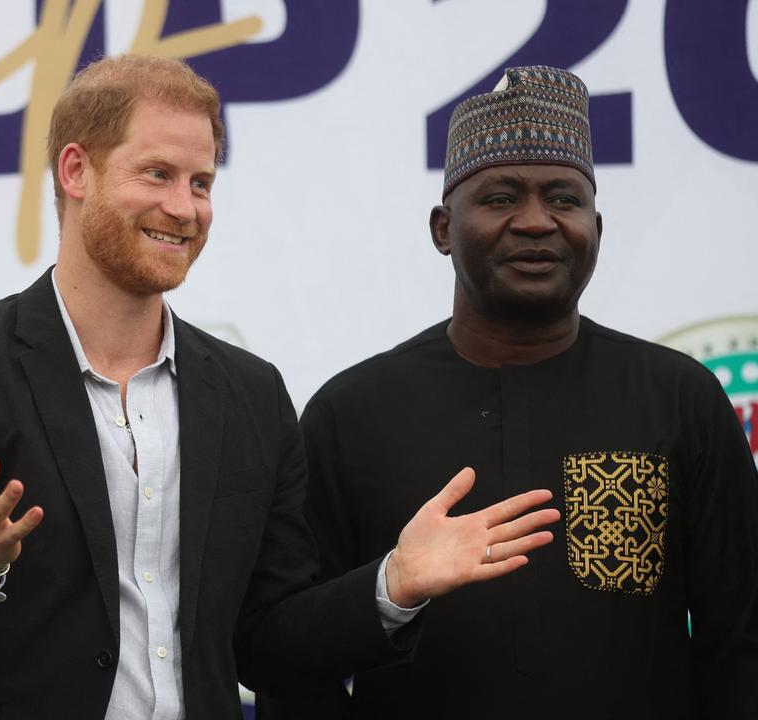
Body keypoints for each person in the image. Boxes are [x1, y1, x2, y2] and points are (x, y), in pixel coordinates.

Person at [0, 55, 560, 719]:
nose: (185, 208)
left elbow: (268, 642)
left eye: (201, 183)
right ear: (77, 170)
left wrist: (391, 584)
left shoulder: (248, 393)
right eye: (158, 174)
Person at [260, 66, 758, 719]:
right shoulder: (351, 414)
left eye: (563, 199)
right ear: (442, 229)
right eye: (500, 198)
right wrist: (390, 588)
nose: (535, 222)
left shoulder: (678, 398)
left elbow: (741, 639)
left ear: (597, 230)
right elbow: (279, 650)